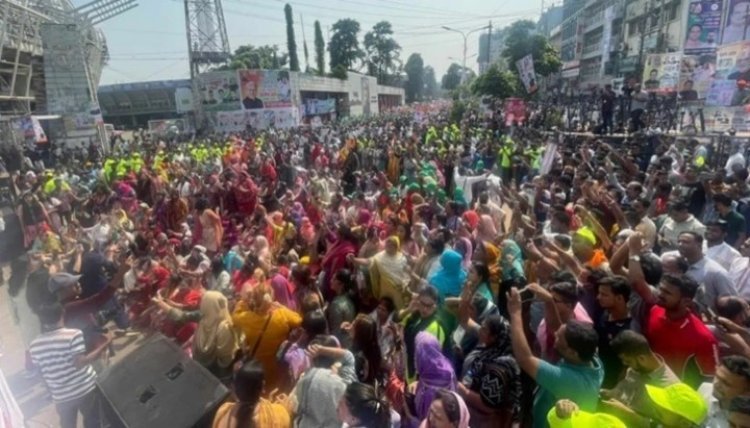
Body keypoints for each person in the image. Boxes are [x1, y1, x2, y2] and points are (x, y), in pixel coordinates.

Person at [507, 288, 603, 428]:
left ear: (572, 352)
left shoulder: (568, 380)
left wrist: (515, 313)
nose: (555, 334)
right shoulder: (593, 360)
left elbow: (524, 359)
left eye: (559, 338)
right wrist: (549, 301)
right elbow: (556, 327)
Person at [29, 302, 112, 428]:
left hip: (61, 396)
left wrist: (52, 391)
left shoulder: (34, 345)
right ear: (62, 313)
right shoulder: (73, 334)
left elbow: (40, 374)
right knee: (93, 422)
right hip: (85, 388)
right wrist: (105, 343)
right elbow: (80, 363)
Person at [232, 280, 302, 392]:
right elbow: (299, 320)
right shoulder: (281, 314)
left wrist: (243, 301)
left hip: (256, 367)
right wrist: (281, 307)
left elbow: (234, 316)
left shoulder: (247, 318)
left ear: (254, 300)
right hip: (277, 366)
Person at [458, 314, 521, 427]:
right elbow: (464, 319)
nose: (480, 330)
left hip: (483, 421)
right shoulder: (491, 349)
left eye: (484, 329)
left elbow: (487, 406)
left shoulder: (498, 368)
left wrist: (462, 390)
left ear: (494, 337)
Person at [601, 330, 680, 418]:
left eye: (628, 361)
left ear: (642, 358)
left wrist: (627, 413)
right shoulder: (637, 368)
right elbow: (624, 390)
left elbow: (661, 424)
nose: (624, 364)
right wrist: (611, 393)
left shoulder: (670, 387)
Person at [211, 358, 290, 428]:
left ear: (234, 388)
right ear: (263, 386)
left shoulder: (223, 412)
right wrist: (285, 411)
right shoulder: (278, 415)